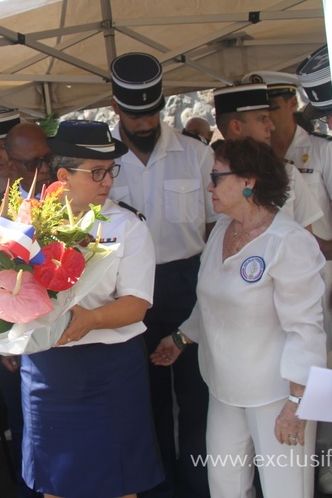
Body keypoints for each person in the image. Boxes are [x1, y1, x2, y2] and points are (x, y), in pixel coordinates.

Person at [152, 137, 327, 497]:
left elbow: (306, 328)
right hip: (224, 389)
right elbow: (210, 304)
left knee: (286, 491)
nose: (209, 186)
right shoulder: (221, 231)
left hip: (277, 395)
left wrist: (297, 402)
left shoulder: (287, 241)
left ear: (248, 182)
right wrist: (182, 338)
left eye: (217, 177)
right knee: (225, 488)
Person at [20, 120, 163, 498]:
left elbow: (137, 303)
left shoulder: (128, 225)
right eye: (96, 171)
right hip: (48, 372)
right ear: (63, 175)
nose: (107, 181)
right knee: (55, 483)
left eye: (110, 170)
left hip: (109, 369)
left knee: (118, 483)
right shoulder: (27, 223)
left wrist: (92, 319)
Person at [108, 52, 214, 498]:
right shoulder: (103, 164)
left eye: (151, 112)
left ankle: (198, 487)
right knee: (142, 400)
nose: (145, 122)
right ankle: (157, 490)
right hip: (130, 290)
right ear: (117, 110)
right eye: (134, 115)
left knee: (198, 396)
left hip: (188, 284)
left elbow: (215, 225)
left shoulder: (196, 156)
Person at [245, 70, 332, 494]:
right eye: (262, 110)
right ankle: (286, 452)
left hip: (320, 272)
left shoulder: (322, 152)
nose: (269, 118)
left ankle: (331, 458)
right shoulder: (252, 163)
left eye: (274, 105)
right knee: (282, 368)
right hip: (266, 282)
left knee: (325, 365)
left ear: (291, 103)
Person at [211, 83, 324, 230]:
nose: (271, 126)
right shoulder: (206, 176)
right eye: (262, 118)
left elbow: (306, 235)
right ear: (236, 127)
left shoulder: (286, 172)